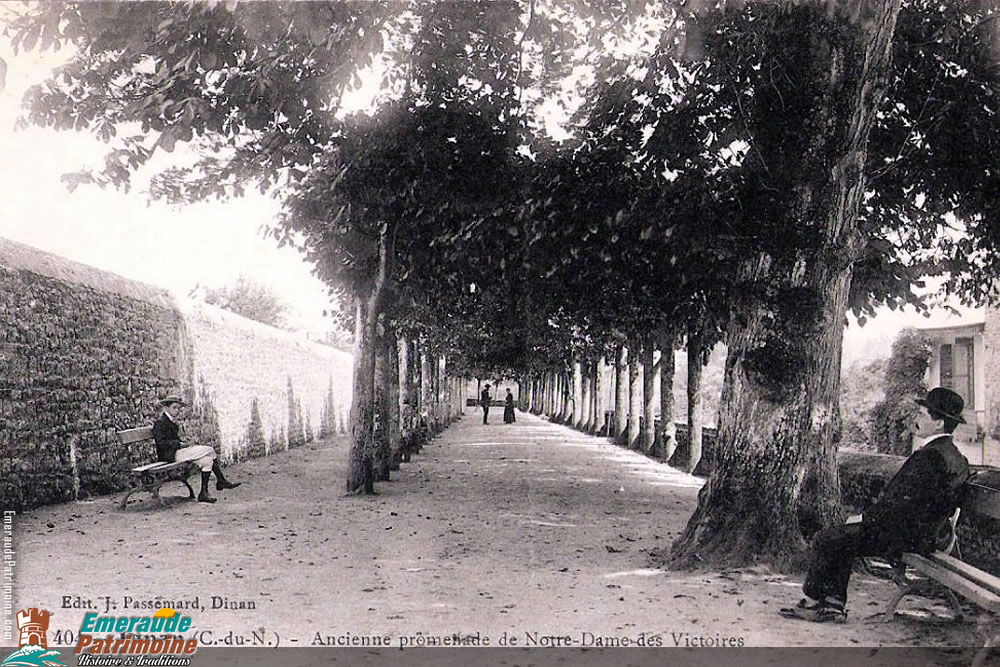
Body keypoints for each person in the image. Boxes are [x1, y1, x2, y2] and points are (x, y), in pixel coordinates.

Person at [779, 386, 970, 623]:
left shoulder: (931, 457)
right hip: (925, 533)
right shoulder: (955, 456)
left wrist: (865, 518)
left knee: (828, 538)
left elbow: (901, 504)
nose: (916, 419)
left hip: (908, 535)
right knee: (842, 536)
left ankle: (814, 602)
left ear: (939, 422)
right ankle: (833, 604)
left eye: (922, 414)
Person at [152, 396, 241, 504]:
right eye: (174, 408)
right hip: (170, 455)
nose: (177, 411)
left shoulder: (171, 422)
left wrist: (184, 443)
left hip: (178, 452)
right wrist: (180, 444)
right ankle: (221, 480)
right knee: (210, 449)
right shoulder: (160, 423)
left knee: (208, 461)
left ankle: (203, 493)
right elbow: (161, 444)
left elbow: (172, 440)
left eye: (179, 408)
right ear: (166, 408)